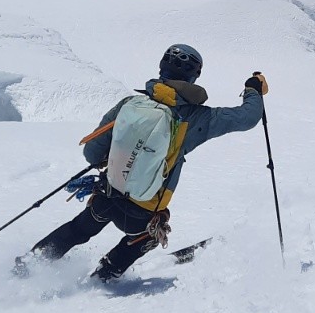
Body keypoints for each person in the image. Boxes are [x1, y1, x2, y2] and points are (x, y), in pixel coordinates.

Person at [26, 44, 268, 283]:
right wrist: (252, 89)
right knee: (149, 235)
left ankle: (29, 265)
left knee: (80, 228)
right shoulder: (196, 119)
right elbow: (247, 118)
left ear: (161, 67)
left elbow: (92, 153)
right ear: (194, 76)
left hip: (107, 194)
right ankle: (104, 275)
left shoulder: (130, 104)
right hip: (142, 211)